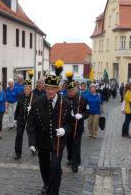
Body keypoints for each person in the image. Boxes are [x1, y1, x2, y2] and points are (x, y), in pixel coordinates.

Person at [27, 60, 72, 195]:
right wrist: (32, 142)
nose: (50, 91)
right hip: (42, 141)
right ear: (45, 88)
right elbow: (31, 124)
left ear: (58, 88)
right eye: (48, 88)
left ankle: (54, 192)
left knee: (55, 167)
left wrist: (64, 129)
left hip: (58, 142)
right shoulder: (37, 103)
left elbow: (70, 123)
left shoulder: (66, 103)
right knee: (45, 167)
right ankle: (47, 183)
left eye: (53, 88)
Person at [65, 72, 90, 173]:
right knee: (69, 144)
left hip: (77, 126)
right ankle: (70, 158)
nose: (70, 93)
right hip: (67, 125)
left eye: (72, 90)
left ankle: (75, 163)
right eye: (68, 91)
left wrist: (82, 116)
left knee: (76, 145)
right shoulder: (65, 99)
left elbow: (87, 112)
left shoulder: (82, 100)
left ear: (76, 90)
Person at [14, 79, 37, 159]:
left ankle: (33, 148)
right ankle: (18, 153)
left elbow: (38, 110)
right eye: (25, 88)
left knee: (31, 134)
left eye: (27, 88)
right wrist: (15, 118)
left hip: (30, 120)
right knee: (18, 136)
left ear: (31, 89)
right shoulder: (20, 95)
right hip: (21, 119)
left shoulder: (34, 97)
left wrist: (32, 108)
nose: (26, 90)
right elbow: (18, 107)